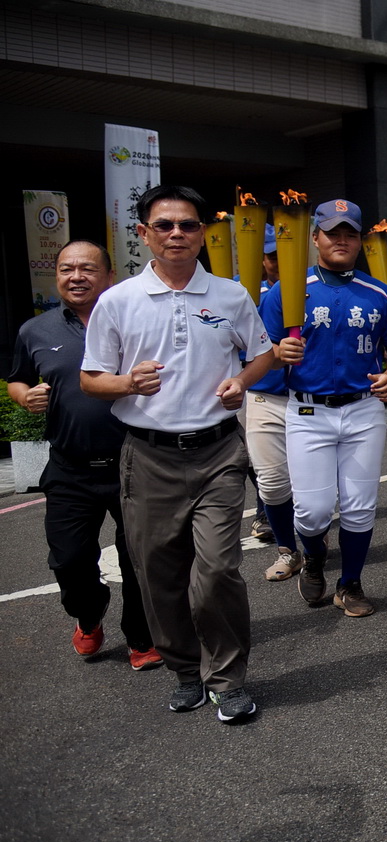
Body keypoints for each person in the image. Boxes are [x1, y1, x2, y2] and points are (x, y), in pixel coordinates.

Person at [81, 185, 273, 723]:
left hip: (216, 453)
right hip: (149, 458)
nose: (176, 235)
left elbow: (262, 356)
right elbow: (90, 379)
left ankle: (228, 677)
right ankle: (186, 669)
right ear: (143, 234)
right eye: (163, 226)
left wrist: (240, 381)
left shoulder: (230, 294)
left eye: (187, 226)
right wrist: (124, 383)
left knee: (216, 571)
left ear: (203, 233)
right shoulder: (118, 301)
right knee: (158, 574)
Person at [8, 241, 159, 670]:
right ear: (56, 276)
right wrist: (24, 396)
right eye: (66, 269)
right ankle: (88, 615)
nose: (77, 276)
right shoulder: (35, 331)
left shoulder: (136, 321)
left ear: (109, 276)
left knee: (139, 559)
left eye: (88, 269)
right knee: (70, 560)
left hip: (134, 461)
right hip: (69, 468)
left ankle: (142, 637)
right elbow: (16, 380)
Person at [263, 199, 387, 618]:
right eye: (332, 232)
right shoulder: (288, 290)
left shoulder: (379, 293)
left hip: (363, 410)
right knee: (311, 512)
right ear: (315, 238)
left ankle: (350, 583)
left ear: (361, 240)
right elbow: (260, 352)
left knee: (360, 504)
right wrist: (279, 351)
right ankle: (311, 555)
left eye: (350, 233)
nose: (341, 240)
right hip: (308, 412)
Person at [244, 228, 303, 582]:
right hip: (262, 392)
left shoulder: (315, 288)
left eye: (283, 254)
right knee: (269, 474)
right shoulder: (242, 292)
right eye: (270, 255)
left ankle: (310, 533)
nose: (277, 262)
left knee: (311, 481)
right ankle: (281, 538)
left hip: (307, 398)